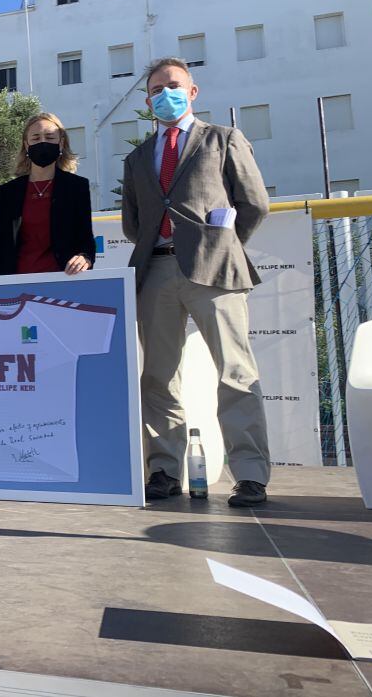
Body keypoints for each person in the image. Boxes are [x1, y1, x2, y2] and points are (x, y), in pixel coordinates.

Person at [122, 57, 271, 507]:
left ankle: (249, 474)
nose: (164, 93)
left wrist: (221, 246)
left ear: (192, 91)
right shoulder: (136, 158)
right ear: (148, 100)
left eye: (173, 85)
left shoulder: (223, 139)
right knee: (159, 376)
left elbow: (254, 203)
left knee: (235, 371)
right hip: (156, 272)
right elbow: (133, 222)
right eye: (155, 88)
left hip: (216, 269)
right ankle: (163, 470)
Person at [0, 112, 95, 277]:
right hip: (16, 284)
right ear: (26, 145)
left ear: (61, 143)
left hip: (64, 281)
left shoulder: (77, 187)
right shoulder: (8, 192)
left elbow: (85, 238)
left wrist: (85, 257)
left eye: (49, 138)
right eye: (36, 138)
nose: (43, 142)